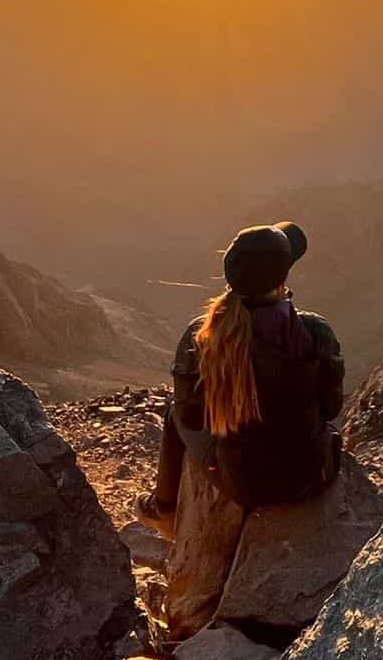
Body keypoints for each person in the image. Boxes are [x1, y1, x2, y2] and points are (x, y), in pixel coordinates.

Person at [136, 221, 344, 534]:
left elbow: (190, 417)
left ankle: (164, 510)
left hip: (243, 485)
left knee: (172, 415)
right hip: (312, 477)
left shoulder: (203, 337)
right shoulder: (315, 332)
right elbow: (331, 408)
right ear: (283, 277)